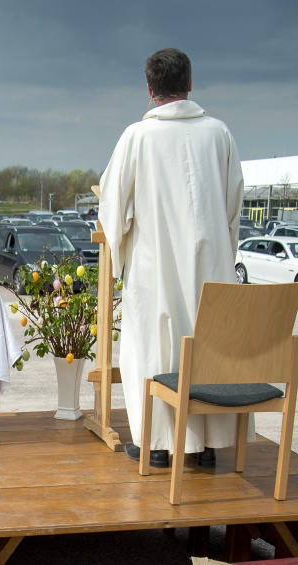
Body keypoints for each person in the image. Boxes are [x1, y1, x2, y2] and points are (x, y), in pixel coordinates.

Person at [98, 48, 245, 468]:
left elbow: (113, 207)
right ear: (190, 84)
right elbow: (234, 203)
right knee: (207, 348)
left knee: (154, 352)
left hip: (154, 268)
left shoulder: (137, 137)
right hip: (210, 268)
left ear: (149, 90)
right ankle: (207, 445)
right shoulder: (220, 134)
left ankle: (158, 445)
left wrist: (124, 248)